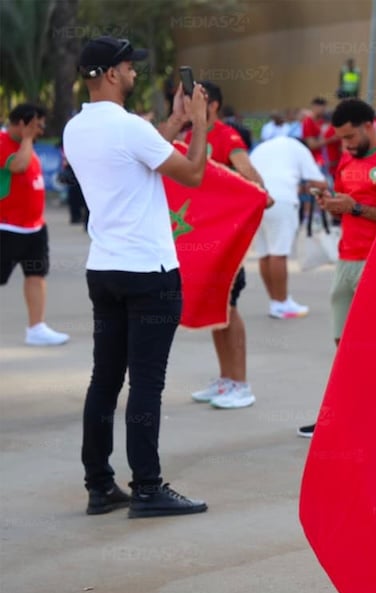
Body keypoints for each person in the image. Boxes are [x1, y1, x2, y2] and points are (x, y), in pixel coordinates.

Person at [63, 35, 210, 517]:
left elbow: (140, 158)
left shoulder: (76, 129)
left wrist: (173, 123)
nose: (134, 73)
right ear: (109, 74)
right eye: (129, 67)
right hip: (149, 271)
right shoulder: (129, 128)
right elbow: (190, 173)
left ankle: (99, 485)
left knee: (104, 380)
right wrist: (201, 127)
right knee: (147, 384)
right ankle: (147, 487)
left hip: (104, 269)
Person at [297, 98, 376, 438]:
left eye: (349, 137)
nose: (344, 145)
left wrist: (356, 207)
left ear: (368, 126)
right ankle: (350, 411)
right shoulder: (349, 156)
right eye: (341, 139)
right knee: (342, 341)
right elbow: (346, 203)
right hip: (347, 258)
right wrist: (333, 204)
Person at [186, 80, 269, 410]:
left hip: (225, 242)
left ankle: (241, 383)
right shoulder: (191, 137)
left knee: (229, 309)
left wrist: (262, 194)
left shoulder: (225, 136)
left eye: (195, 100)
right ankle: (225, 379)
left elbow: (246, 170)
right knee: (215, 311)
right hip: (202, 240)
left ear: (213, 105)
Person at [1, 103, 70, 346]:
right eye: (36, 125)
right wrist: (27, 139)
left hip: (34, 227)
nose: (40, 131)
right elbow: (17, 166)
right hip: (7, 228)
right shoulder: (4, 142)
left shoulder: (28, 145)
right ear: (22, 124)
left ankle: (36, 328)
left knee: (36, 275)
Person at [250, 135, 326, 318]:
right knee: (279, 253)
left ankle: (276, 301)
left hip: (255, 200)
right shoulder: (298, 148)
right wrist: (308, 186)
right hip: (281, 201)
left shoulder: (262, 147)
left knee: (264, 253)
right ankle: (282, 303)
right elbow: (320, 183)